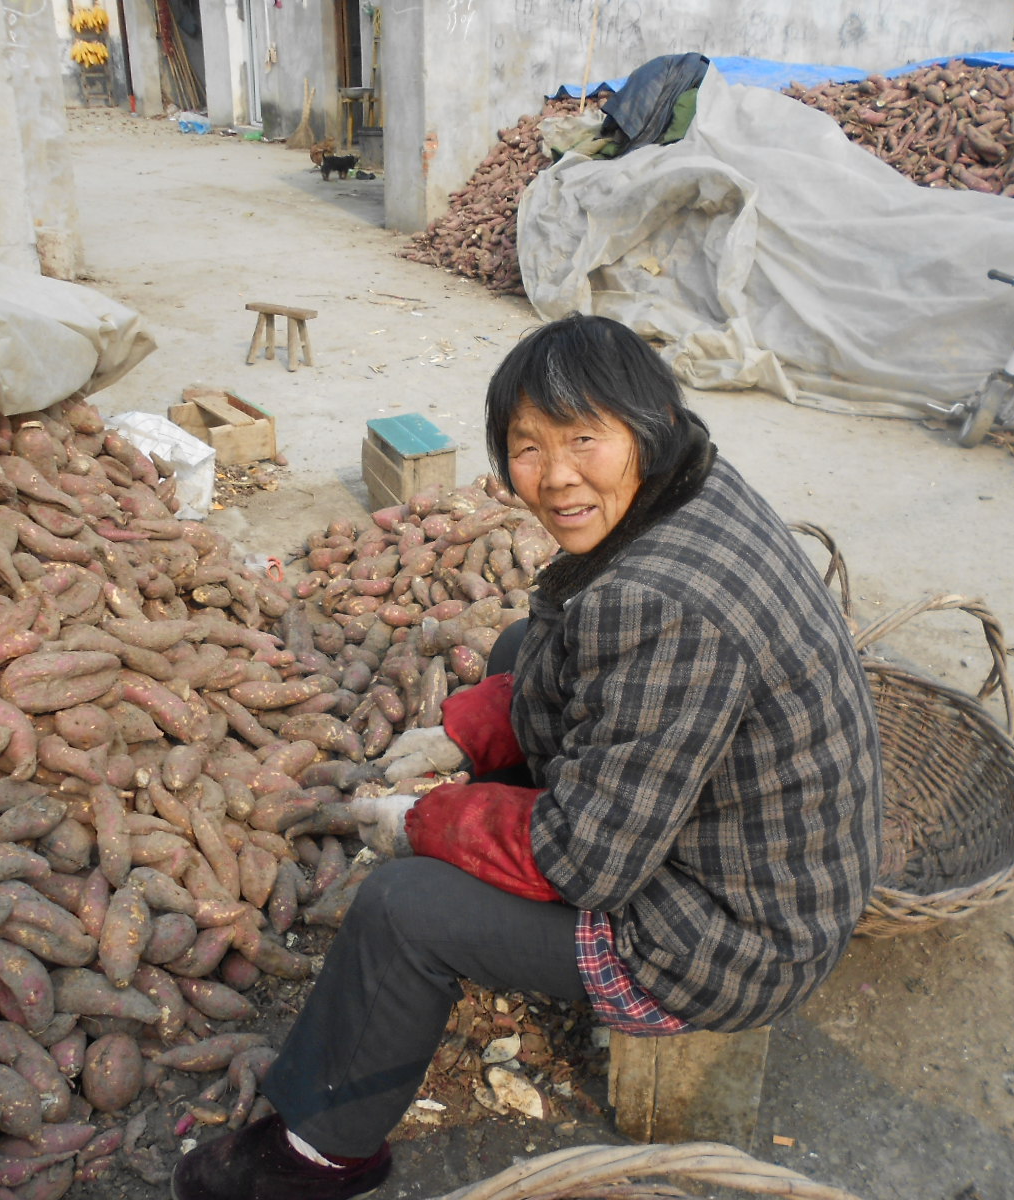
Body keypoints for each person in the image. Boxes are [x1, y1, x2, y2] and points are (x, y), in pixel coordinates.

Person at [170, 313, 884, 1200]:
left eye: (585, 439)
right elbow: (579, 658)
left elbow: (583, 860)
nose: (555, 479)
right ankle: (496, 802)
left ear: (648, 425)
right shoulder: (695, 482)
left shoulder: (661, 607)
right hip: (758, 857)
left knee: (403, 910)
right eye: (528, 447)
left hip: (731, 939)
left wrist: (426, 821)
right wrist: (471, 731)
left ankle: (320, 1154)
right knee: (517, 648)